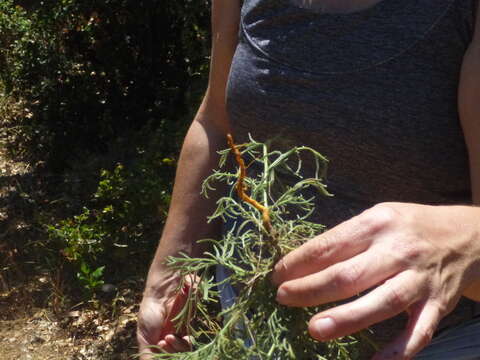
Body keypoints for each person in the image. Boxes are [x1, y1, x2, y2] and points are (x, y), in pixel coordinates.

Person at [137, 0, 480, 359]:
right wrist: (168, 275)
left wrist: (459, 241)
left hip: (433, 339)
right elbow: (215, 121)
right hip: (259, 323)